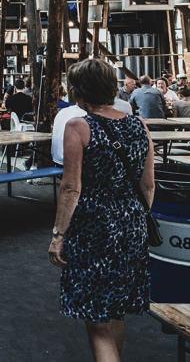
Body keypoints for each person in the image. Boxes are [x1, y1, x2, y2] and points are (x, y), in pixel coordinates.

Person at [48, 59, 154, 362]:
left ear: (79, 91)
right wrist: (133, 219)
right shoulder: (138, 125)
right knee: (116, 309)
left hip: (95, 228)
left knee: (97, 321)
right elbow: (148, 186)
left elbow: (71, 187)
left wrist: (59, 234)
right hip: (133, 226)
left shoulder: (79, 127)